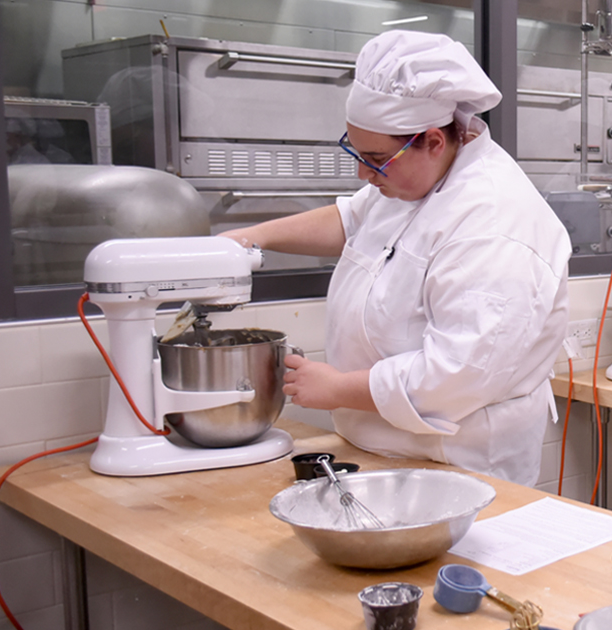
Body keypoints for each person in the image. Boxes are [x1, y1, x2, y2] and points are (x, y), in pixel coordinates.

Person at [221, 31, 571, 486]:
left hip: (458, 466)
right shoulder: (414, 177)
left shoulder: (495, 225)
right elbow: (352, 220)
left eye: (376, 159)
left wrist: (336, 388)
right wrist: (249, 237)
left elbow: (455, 376)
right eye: (355, 151)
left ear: (432, 141)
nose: (364, 174)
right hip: (382, 452)